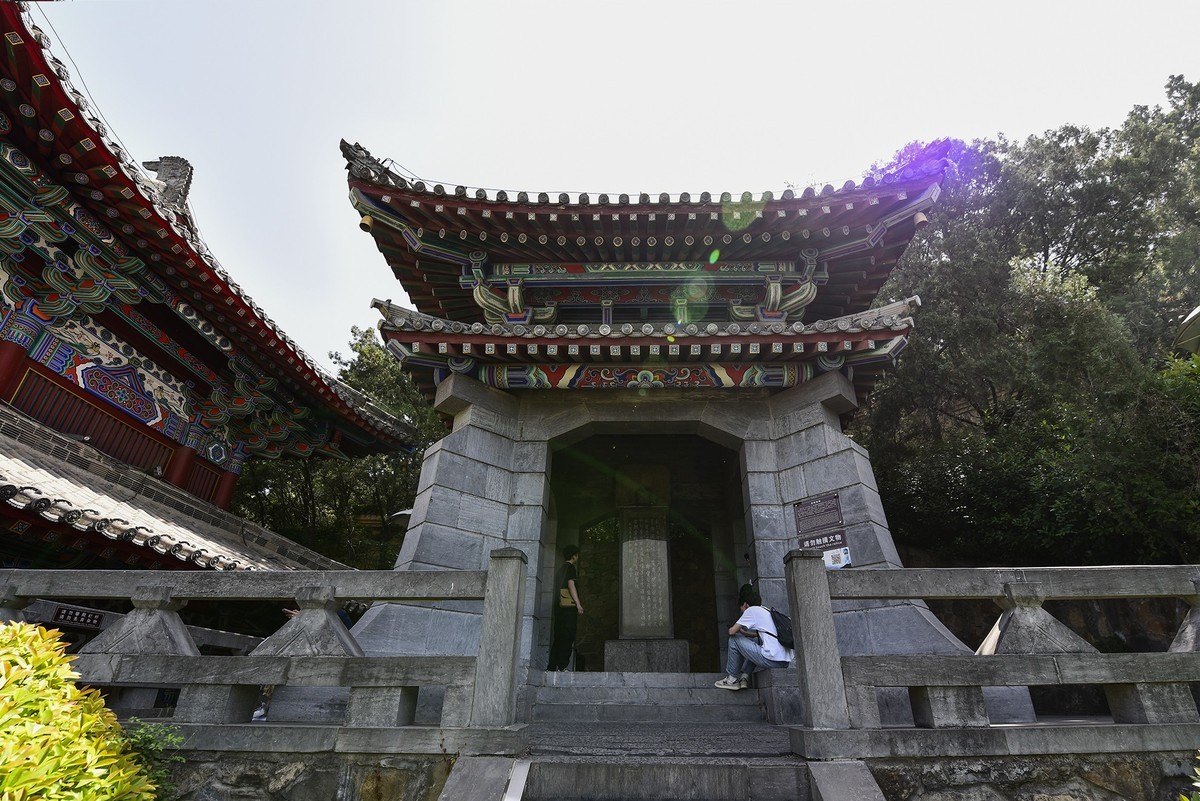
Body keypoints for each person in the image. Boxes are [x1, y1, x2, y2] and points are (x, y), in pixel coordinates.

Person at [714, 583, 793, 690]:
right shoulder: (766, 610)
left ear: (745, 604)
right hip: (783, 662)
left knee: (734, 640)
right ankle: (744, 678)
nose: (741, 612)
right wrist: (746, 634)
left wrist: (733, 627)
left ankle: (731, 680)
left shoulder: (751, 610)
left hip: (772, 660)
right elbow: (764, 634)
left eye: (741, 609)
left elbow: (731, 632)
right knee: (756, 640)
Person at [546, 544, 583, 671]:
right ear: (574, 555)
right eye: (577, 554)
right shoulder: (571, 568)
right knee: (568, 636)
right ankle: (562, 666)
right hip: (568, 608)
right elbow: (571, 586)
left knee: (559, 637)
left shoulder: (560, 569)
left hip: (559, 607)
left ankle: (552, 666)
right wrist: (578, 604)